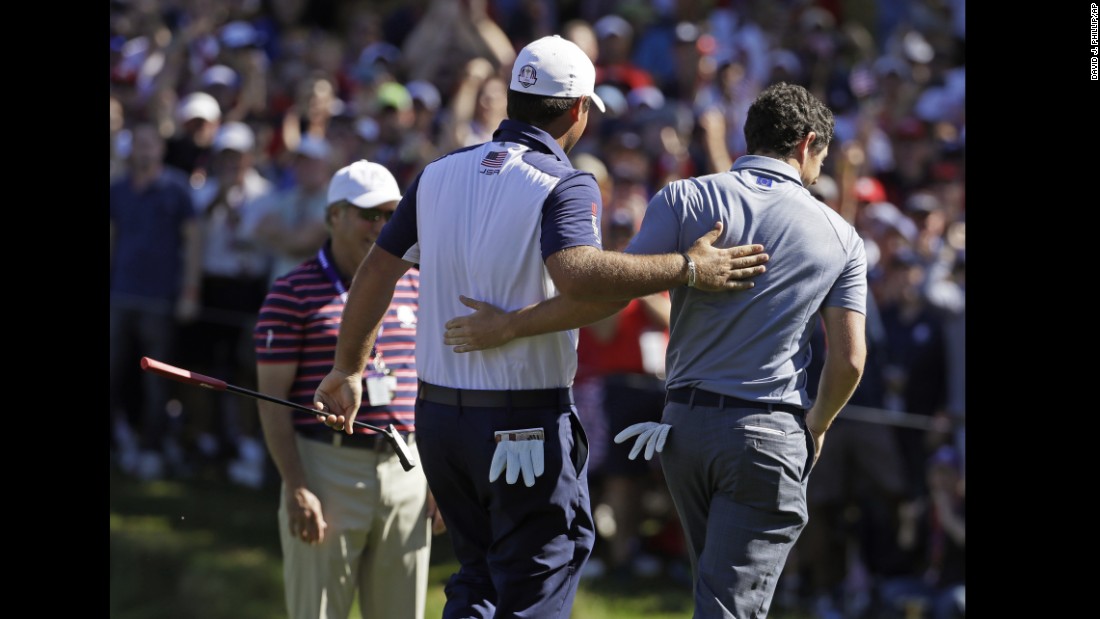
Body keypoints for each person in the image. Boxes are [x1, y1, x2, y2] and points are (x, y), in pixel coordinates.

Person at [312, 35, 768, 619]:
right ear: (578, 109)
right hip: (520, 421)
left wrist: (348, 367)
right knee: (536, 581)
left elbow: (376, 271)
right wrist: (688, 268)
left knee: (477, 582)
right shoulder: (565, 181)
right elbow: (579, 276)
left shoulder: (438, 173)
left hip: (440, 422)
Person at [445, 82, 868, 618]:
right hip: (768, 434)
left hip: (682, 432)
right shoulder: (842, 235)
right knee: (731, 608)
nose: (818, 171)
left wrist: (513, 325)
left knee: (712, 593)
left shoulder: (685, 197)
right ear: (808, 145)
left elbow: (605, 295)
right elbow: (849, 359)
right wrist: (819, 426)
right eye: (821, 158)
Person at [253, 159, 442, 619]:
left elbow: (433, 387)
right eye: (367, 214)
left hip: (408, 469)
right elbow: (272, 406)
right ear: (333, 215)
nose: (380, 226)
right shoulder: (291, 291)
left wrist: (438, 476)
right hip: (326, 469)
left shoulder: (417, 283)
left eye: (389, 215)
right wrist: (296, 486)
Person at [110, 122, 203, 480]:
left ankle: (151, 448)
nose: (144, 150)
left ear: (160, 150)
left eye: (150, 144)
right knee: (113, 374)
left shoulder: (177, 188)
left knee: (156, 382)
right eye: (139, 143)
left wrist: (190, 291)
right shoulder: (118, 190)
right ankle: (121, 445)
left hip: (160, 300)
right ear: (131, 149)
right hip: (120, 294)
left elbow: (193, 242)